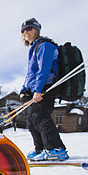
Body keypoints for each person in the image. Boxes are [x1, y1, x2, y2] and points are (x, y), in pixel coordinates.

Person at [19, 18, 68, 161]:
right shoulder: (34, 47)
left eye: (29, 29)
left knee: (40, 117)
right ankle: (40, 148)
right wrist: (24, 89)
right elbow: (31, 73)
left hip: (47, 86)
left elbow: (44, 70)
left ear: (36, 30)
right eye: (23, 31)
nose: (25, 32)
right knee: (31, 120)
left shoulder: (45, 45)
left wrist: (38, 90)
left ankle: (55, 148)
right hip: (36, 88)